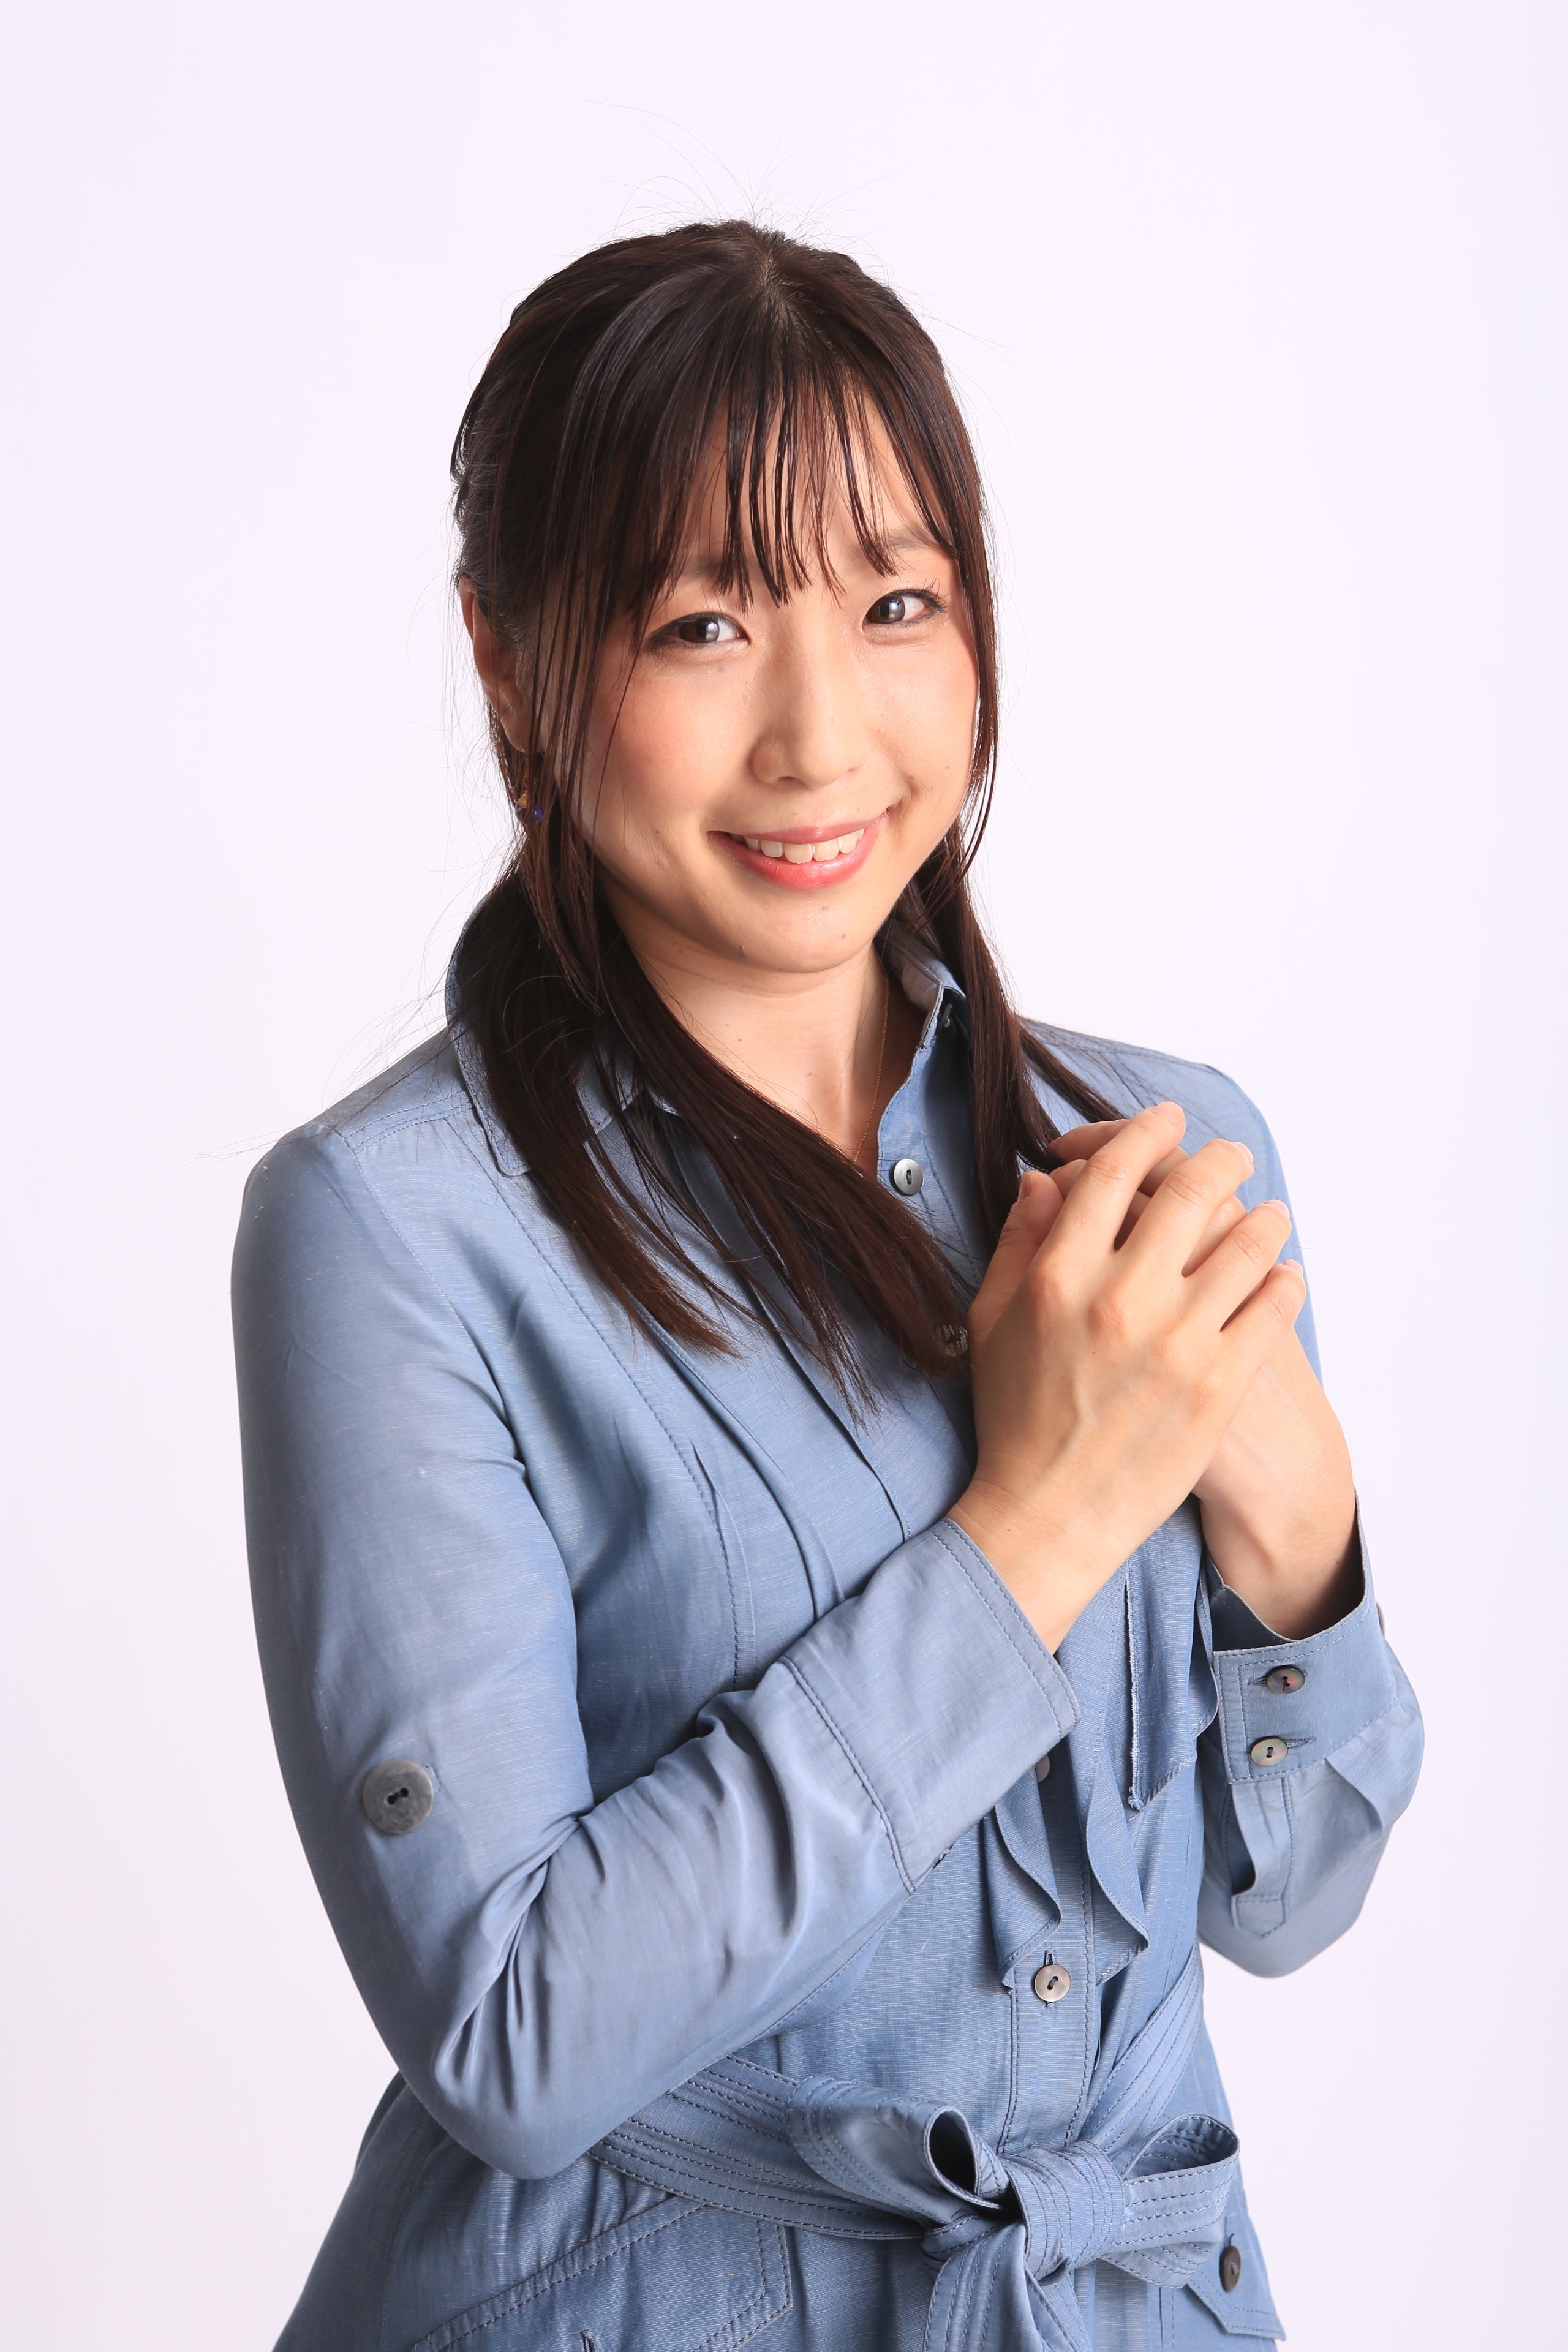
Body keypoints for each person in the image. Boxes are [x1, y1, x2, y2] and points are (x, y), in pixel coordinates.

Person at [232, 221, 1422, 2352]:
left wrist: (1303, 1535)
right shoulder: (388, 1230)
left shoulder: (1159, 1151)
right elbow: (508, 2033)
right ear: (509, 660)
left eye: (895, 604)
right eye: (702, 623)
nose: (820, 736)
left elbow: (1294, 1900)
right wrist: (1038, 1529)